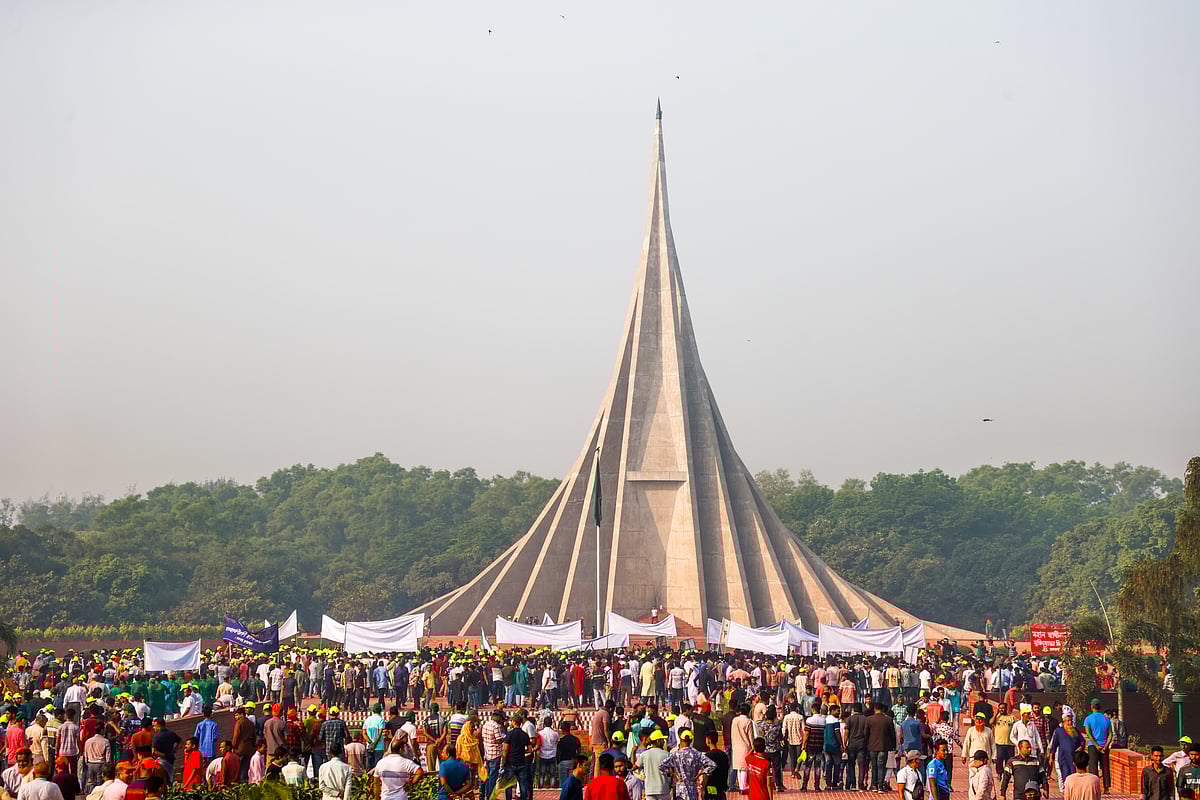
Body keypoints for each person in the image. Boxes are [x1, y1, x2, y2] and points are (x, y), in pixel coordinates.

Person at [658, 730, 714, 800]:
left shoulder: (676, 754)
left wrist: (673, 774)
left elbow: (661, 766)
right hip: (692, 786)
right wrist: (700, 774)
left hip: (680, 786)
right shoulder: (697, 754)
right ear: (691, 740)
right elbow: (712, 765)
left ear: (681, 739)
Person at [372, 736, 422, 800]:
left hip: (385, 797)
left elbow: (376, 783)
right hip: (401, 798)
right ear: (401, 749)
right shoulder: (407, 763)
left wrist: (376, 798)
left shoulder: (380, 763)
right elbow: (420, 772)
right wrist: (411, 784)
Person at [1049, 715, 1085, 794]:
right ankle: (1067, 793)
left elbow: (1082, 741)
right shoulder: (1059, 731)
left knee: (1074, 775)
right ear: (1064, 722)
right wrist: (1051, 757)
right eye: (1068, 721)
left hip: (1074, 758)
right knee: (1065, 775)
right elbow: (1054, 745)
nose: (1070, 722)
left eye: (1071, 721)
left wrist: (1081, 748)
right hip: (1063, 758)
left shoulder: (1075, 730)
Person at [1082, 701, 1111, 793]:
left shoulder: (1088, 719)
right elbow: (1111, 734)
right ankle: (1106, 788)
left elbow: (1088, 733)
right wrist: (1105, 745)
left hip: (1093, 746)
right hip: (1104, 746)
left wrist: (1095, 745)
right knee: (1105, 766)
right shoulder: (1106, 719)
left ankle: (1095, 787)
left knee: (1093, 766)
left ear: (1091, 706)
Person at [636, 730, 669, 800]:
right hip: (663, 789)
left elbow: (635, 767)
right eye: (662, 740)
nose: (664, 742)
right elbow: (671, 771)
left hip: (650, 790)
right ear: (657, 741)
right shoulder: (666, 754)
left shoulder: (644, 754)